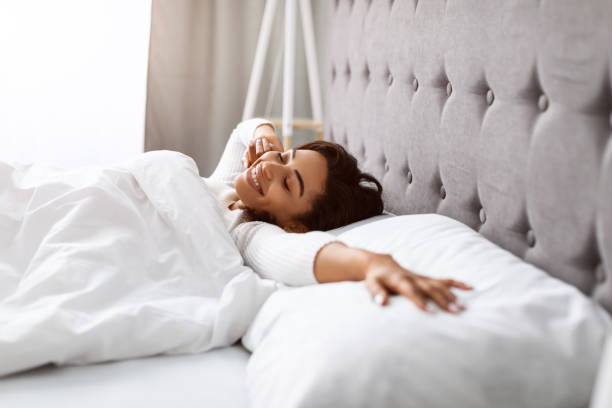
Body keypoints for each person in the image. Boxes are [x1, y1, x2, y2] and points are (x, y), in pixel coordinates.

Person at [206, 118, 472, 313]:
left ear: (294, 226)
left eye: (287, 184)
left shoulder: (246, 233)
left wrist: (371, 263)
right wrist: (266, 137)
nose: (269, 167)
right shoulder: (228, 185)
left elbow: (296, 255)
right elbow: (241, 131)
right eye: (286, 157)